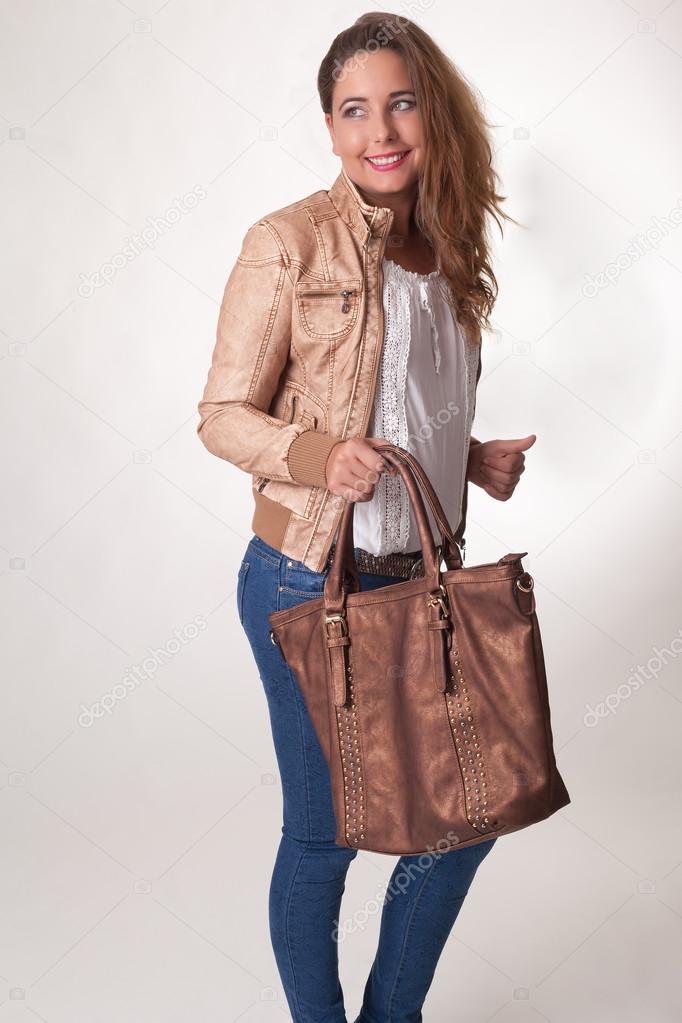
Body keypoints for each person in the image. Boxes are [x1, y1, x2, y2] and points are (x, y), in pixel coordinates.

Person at [197, 12, 535, 1022]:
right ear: (330, 126)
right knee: (327, 833)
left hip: (420, 583)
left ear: (432, 111)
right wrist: (314, 458)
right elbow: (222, 417)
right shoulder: (287, 243)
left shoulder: (451, 243)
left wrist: (465, 456)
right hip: (307, 578)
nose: (378, 128)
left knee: (463, 819)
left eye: (398, 102)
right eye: (353, 109)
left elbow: (397, 402)